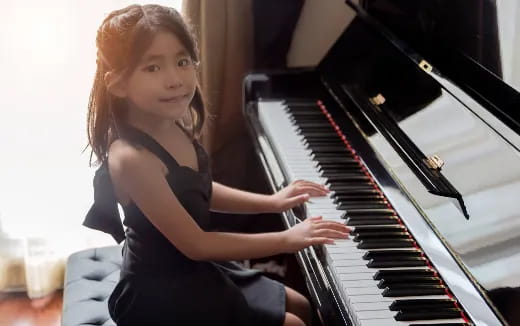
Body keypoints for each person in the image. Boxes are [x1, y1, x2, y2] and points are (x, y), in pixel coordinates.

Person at [83, 4, 350, 326]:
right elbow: (196, 244)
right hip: (159, 293)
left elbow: (198, 187)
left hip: (192, 271)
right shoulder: (132, 158)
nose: (175, 80)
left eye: (182, 62)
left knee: (301, 304)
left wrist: (272, 202)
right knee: (294, 323)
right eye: (152, 68)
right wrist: (286, 239)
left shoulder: (168, 123)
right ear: (118, 84)